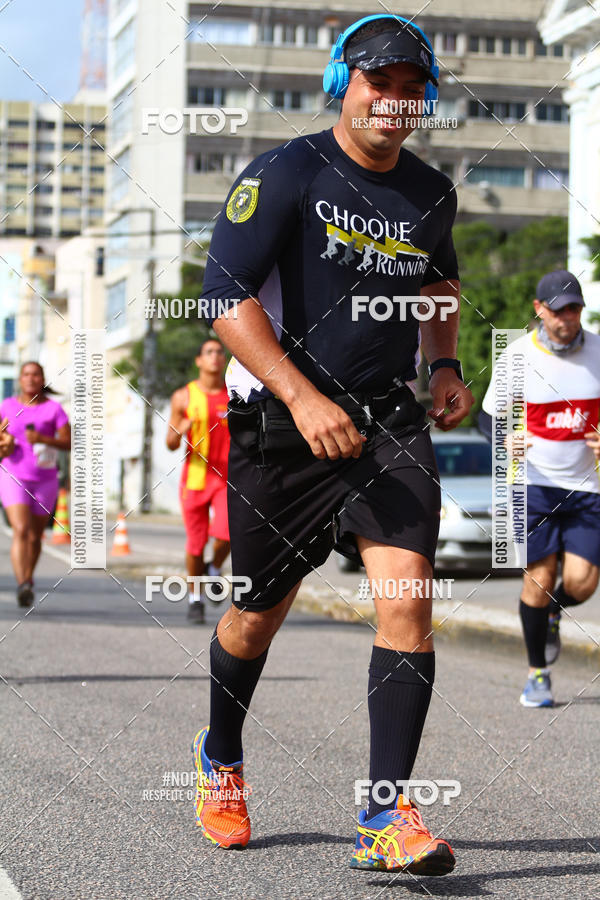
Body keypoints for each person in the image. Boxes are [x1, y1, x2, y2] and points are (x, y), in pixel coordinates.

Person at [191, 14, 473, 875]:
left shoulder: (429, 191)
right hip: (281, 428)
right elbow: (223, 294)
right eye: (376, 83)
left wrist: (446, 364)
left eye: (408, 87)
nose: (392, 101)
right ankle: (221, 757)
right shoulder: (286, 172)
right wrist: (303, 396)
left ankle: (384, 817)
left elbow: (440, 280)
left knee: (408, 602)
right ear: (340, 83)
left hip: (387, 423)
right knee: (256, 615)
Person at [480, 270, 600, 707]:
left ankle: (552, 611)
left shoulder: (599, 351)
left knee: (583, 583)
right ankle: (538, 675)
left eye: (575, 308)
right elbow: (487, 417)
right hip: (532, 485)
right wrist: (504, 439)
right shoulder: (516, 356)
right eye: (559, 310)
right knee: (539, 580)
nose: (568, 318)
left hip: (589, 486)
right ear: (539, 310)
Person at [166, 339, 231, 624]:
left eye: (220, 352)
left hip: (228, 480)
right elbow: (169, 443)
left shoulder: (236, 394)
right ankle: (195, 599)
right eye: (209, 352)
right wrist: (180, 428)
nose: (216, 357)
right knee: (196, 543)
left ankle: (213, 568)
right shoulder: (183, 396)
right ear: (199, 361)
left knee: (228, 534)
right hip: (195, 478)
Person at [0, 361, 71, 607]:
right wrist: (5, 442)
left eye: (36, 375)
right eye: (26, 374)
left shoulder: (54, 410)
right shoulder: (6, 407)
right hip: (13, 474)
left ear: (42, 379)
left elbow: (69, 442)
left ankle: (28, 577)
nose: (30, 379)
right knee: (20, 530)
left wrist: (42, 438)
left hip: (45, 478)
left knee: (35, 536)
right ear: (20, 379)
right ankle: (23, 584)